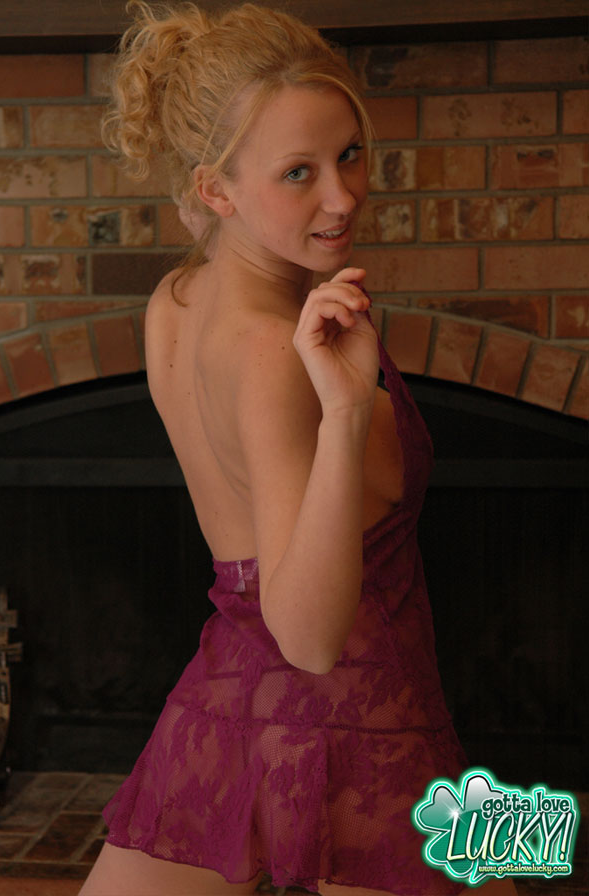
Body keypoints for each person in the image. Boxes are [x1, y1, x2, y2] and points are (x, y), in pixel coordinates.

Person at [81, 3, 518, 895]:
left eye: (348, 154)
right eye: (297, 172)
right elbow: (310, 639)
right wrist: (348, 410)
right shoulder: (275, 352)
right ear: (216, 188)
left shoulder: (177, 300)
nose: (342, 196)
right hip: (366, 721)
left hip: (227, 693)